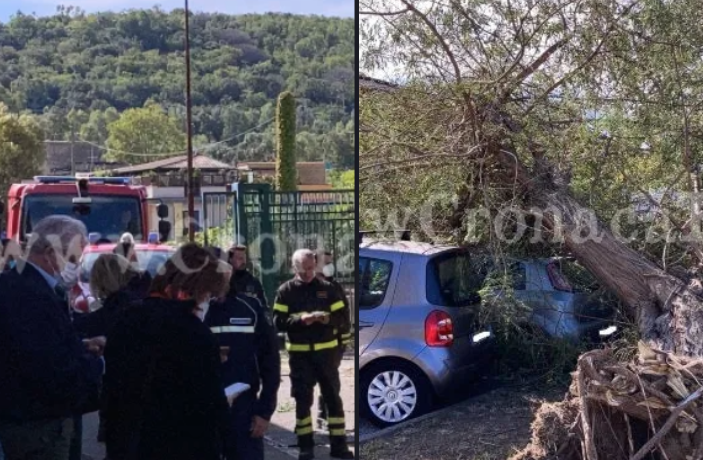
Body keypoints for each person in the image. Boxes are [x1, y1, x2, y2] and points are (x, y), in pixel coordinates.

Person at [101, 243, 231, 460]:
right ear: (192, 290)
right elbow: (211, 404)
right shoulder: (195, 332)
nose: (206, 301)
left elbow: (112, 385)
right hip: (182, 442)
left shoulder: (128, 318)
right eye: (207, 294)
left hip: (129, 440)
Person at [0, 215, 105, 460]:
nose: (76, 265)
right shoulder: (32, 296)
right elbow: (49, 366)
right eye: (73, 258)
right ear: (50, 252)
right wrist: (98, 365)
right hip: (38, 425)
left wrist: (79, 347)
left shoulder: (12, 284)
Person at [273, 249, 354, 460]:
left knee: (333, 400)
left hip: (326, 355)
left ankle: (339, 446)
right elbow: (278, 322)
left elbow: (342, 317)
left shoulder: (327, 289)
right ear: (294, 268)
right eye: (303, 269)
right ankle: (305, 447)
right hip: (300, 357)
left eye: (310, 268)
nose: (308, 273)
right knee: (302, 401)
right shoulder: (286, 291)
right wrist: (301, 320)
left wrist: (327, 319)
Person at [205, 246, 281, 460]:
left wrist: (264, 411)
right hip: (203, 410)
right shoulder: (191, 312)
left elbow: (270, 363)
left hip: (243, 410)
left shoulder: (250, 308)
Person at [314, 251, 352, 432]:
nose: (330, 266)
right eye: (326, 263)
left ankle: (326, 417)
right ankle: (321, 418)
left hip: (334, 344)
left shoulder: (335, 286)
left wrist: (343, 339)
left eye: (331, 262)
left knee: (330, 382)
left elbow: (344, 315)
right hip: (314, 344)